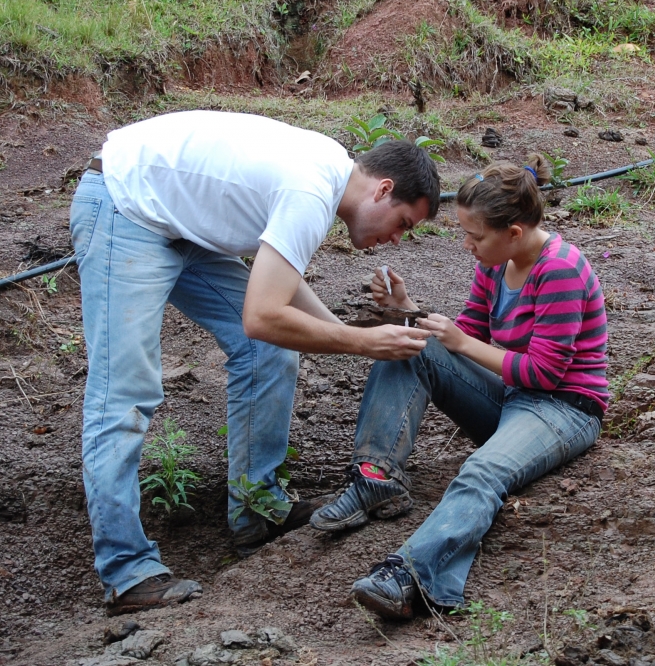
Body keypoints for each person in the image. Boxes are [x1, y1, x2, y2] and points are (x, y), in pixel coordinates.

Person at [69, 110, 440, 616]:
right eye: (403, 223)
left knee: (270, 349)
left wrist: (358, 335)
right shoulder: (310, 193)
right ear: (382, 190)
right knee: (125, 391)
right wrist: (360, 343)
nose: (397, 239)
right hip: (125, 205)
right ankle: (126, 570)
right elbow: (264, 315)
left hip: (181, 223)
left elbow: (282, 297)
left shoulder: (328, 173)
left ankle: (257, 509)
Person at [309, 153, 608, 619]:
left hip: (563, 410)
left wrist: (462, 342)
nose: (467, 245)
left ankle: (412, 574)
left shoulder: (560, 270)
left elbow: (543, 373)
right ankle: (375, 477)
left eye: (474, 235)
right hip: (512, 398)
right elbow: (466, 332)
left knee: (481, 473)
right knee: (409, 346)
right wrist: (406, 310)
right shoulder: (496, 262)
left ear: (513, 233)